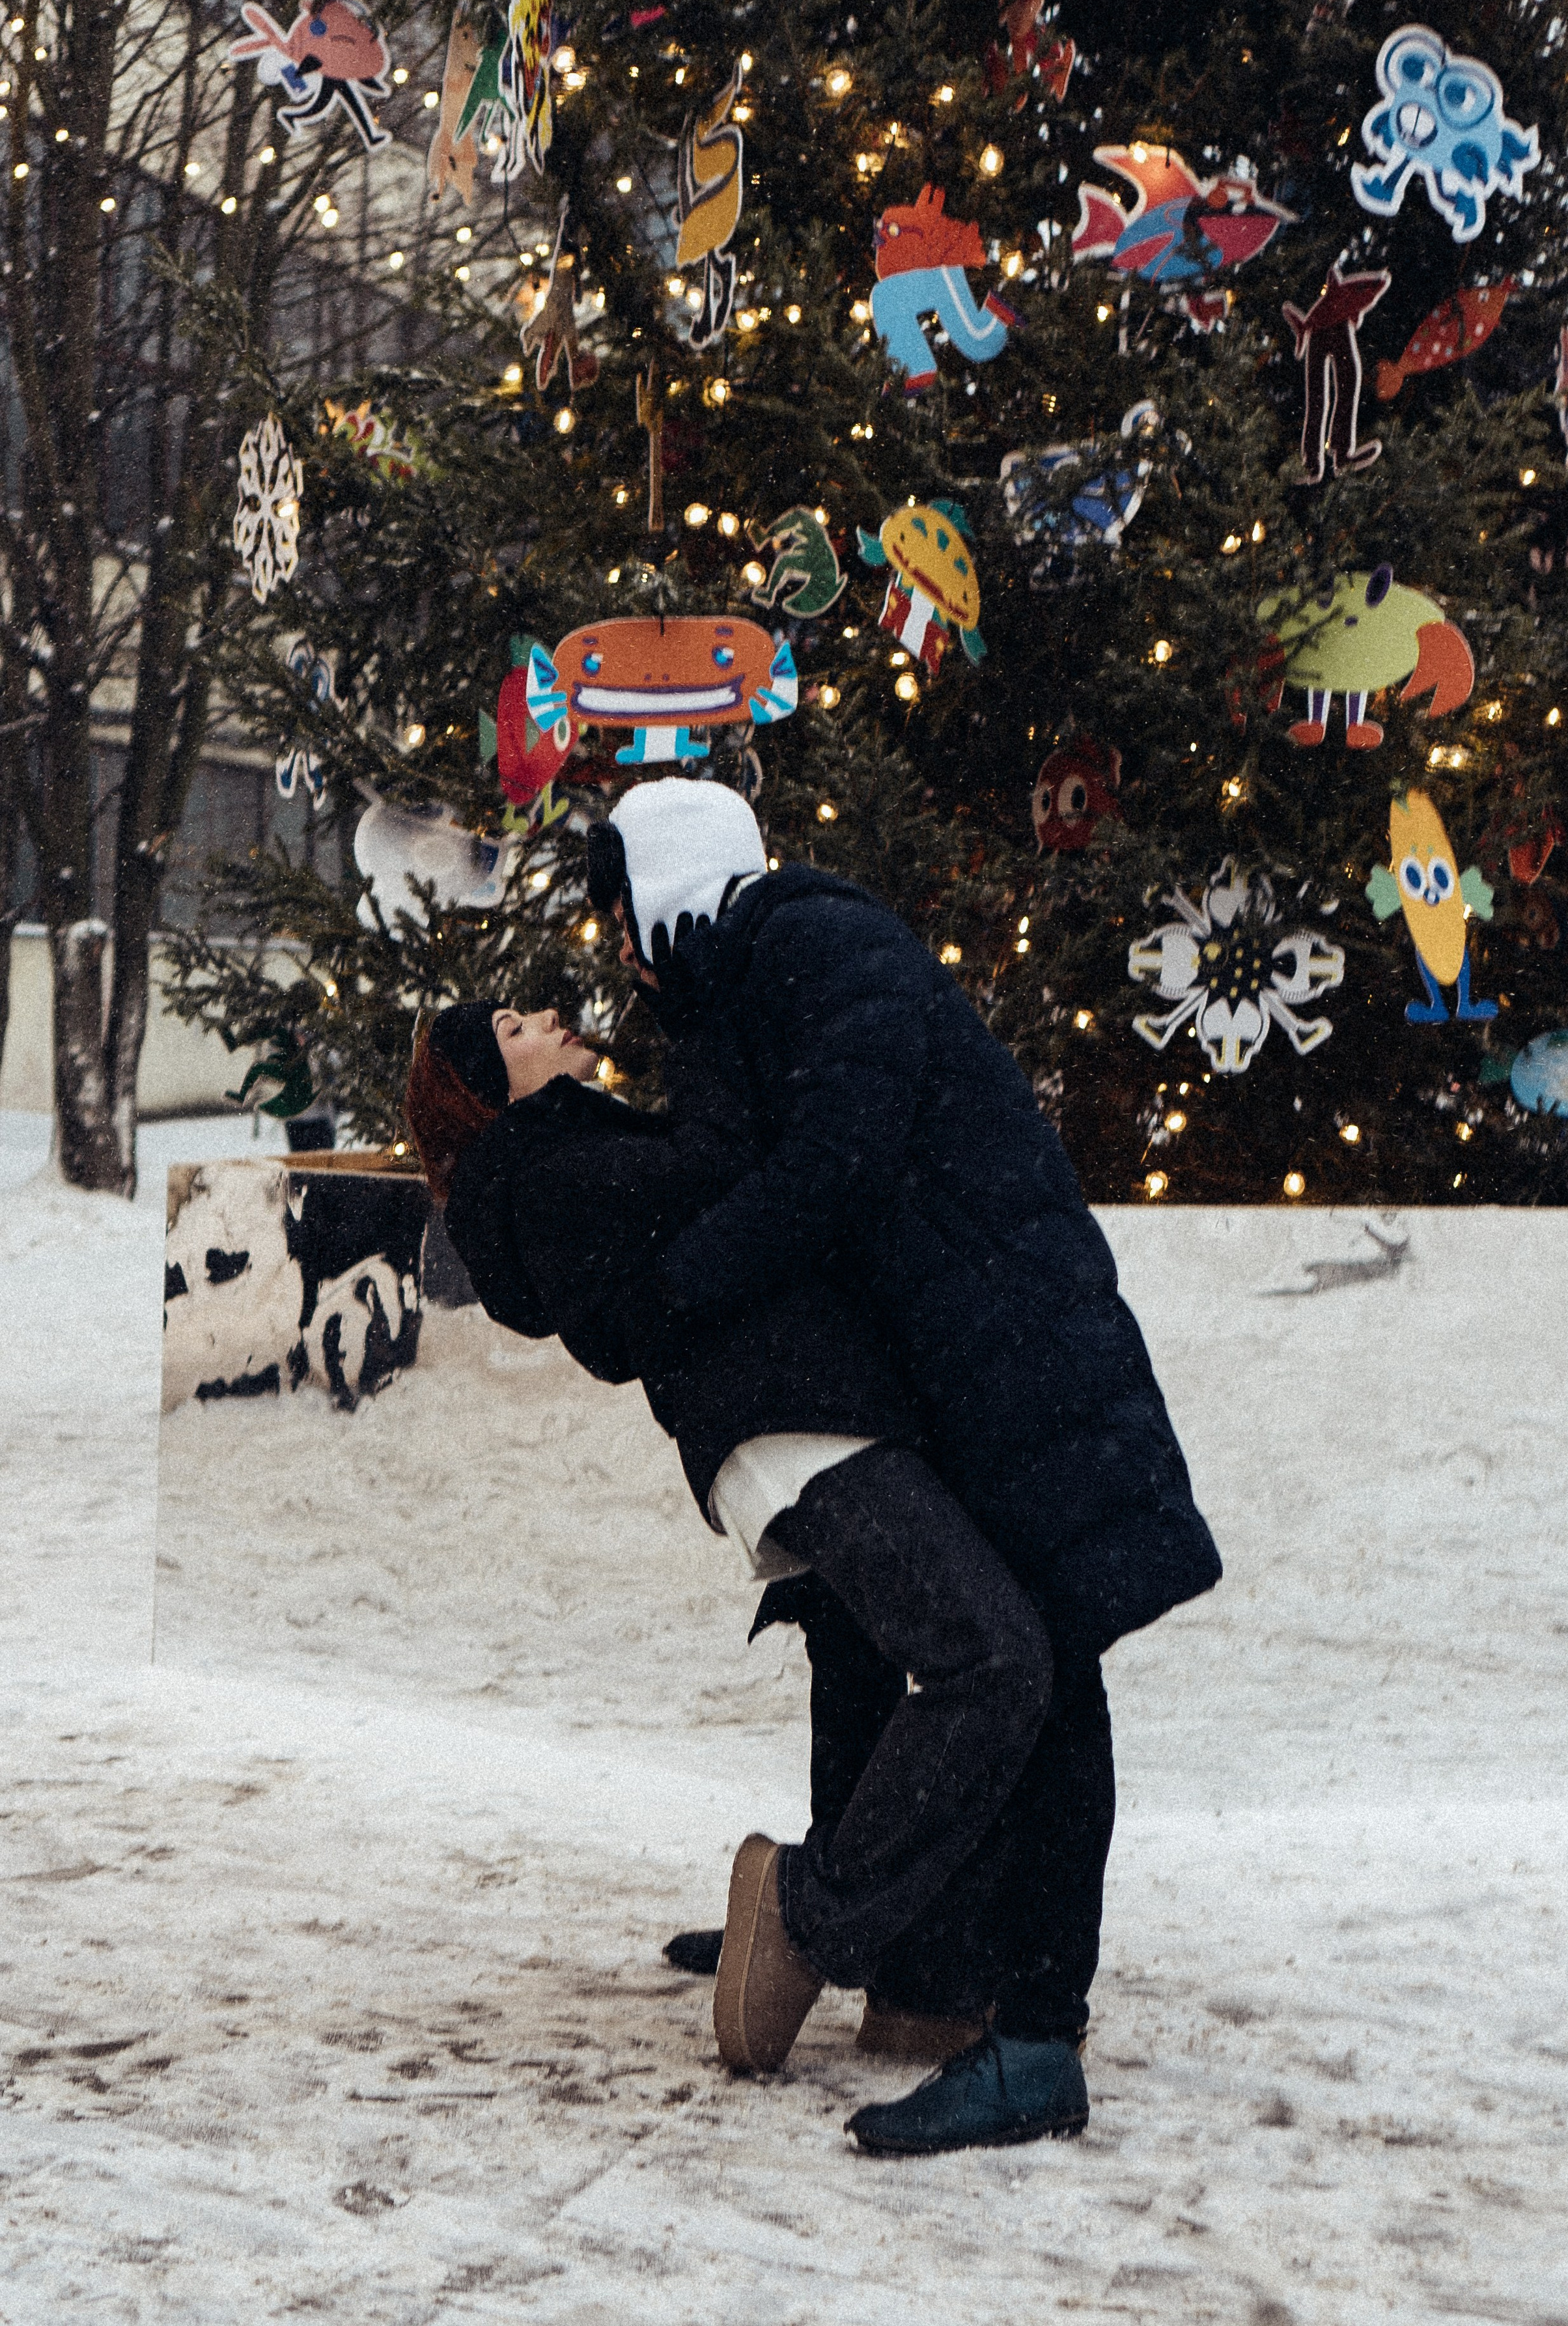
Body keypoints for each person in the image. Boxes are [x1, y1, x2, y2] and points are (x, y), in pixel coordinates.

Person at [583, 778, 1222, 2157]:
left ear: (672, 886)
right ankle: (864, 1932)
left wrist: (672, 1290)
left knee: (1040, 1674)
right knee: (865, 1632)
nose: (627, 958)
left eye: (625, 917)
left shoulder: (821, 945)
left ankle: (1032, 2035)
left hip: (1015, 1350)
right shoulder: (758, 977)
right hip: (959, 1353)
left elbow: (836, 1162)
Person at [401, 988, 1050, 2088]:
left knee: (861, 1663)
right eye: (511, 1030)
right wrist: (707, 1031)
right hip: (795, 1424)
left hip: (817, 1408)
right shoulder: (548, 1175)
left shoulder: (567, 1154)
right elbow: (727, 1163)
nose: (545, 1016)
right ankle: (809, 1913)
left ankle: (915, 1981)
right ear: (485, 1091)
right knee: (993, 1659)